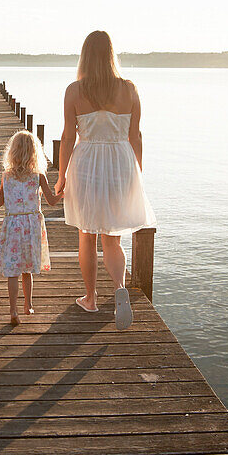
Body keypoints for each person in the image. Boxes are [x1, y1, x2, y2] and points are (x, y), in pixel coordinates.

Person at [54, 30, 156, 330]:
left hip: (86, 163)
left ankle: (90, 298)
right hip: (120, 165)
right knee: (112, 238)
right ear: (112, 55)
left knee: (86, 235)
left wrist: (61, 177)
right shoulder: (129, 89)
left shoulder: (74, 90)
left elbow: (67, 137)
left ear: (85, 56)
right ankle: (119, 288)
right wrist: (137, 172)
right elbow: (135, 136)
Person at [0, 130, 61, 325]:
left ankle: (13, 310)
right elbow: (52, 201)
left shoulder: (7, 176)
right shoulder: (39, 176)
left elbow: (0, 201)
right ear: (34, 153)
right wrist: (65, 190)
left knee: (13, 270)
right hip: (31, 226)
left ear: (13, 152)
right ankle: (28, 305)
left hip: (12, 224)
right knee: (27, 269)